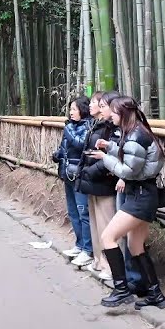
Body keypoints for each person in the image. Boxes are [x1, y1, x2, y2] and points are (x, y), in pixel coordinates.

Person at [87, 94, 165, 309]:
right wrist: (111, 148)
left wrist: (106, 158)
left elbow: (129, 171)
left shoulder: (135, 136)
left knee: (108, 237)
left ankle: (121, 289)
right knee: (135, 245)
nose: (110, 115)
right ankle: (156, 295)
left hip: (139, 196)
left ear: (121, 113)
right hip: (143, 193)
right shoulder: (135, 133)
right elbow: (132, 157)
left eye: (112, 111)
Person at [77, 91, 122, 278]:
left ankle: (110, 267)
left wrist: (89, 172)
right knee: (96, 223)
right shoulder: (97, 124)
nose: (97, 107)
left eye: (102, 104)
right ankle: (98, 261)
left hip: (104, 181)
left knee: (106, 224)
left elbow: (111, 157)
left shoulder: (113, 128)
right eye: (100, 104)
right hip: (92, 181)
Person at [53, 97, 93, 268]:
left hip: (79, 175)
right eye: (70, 109)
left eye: (74, 109)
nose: (71, 112)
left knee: (84, 212)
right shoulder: (71, 126)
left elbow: (80, 144)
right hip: (67, 173)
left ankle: (88, 250)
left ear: (83, 110)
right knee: (73, 212)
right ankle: (79, 245)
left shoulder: (88, 126)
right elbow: (65, 147)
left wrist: (68, 129)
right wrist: (58, 154)